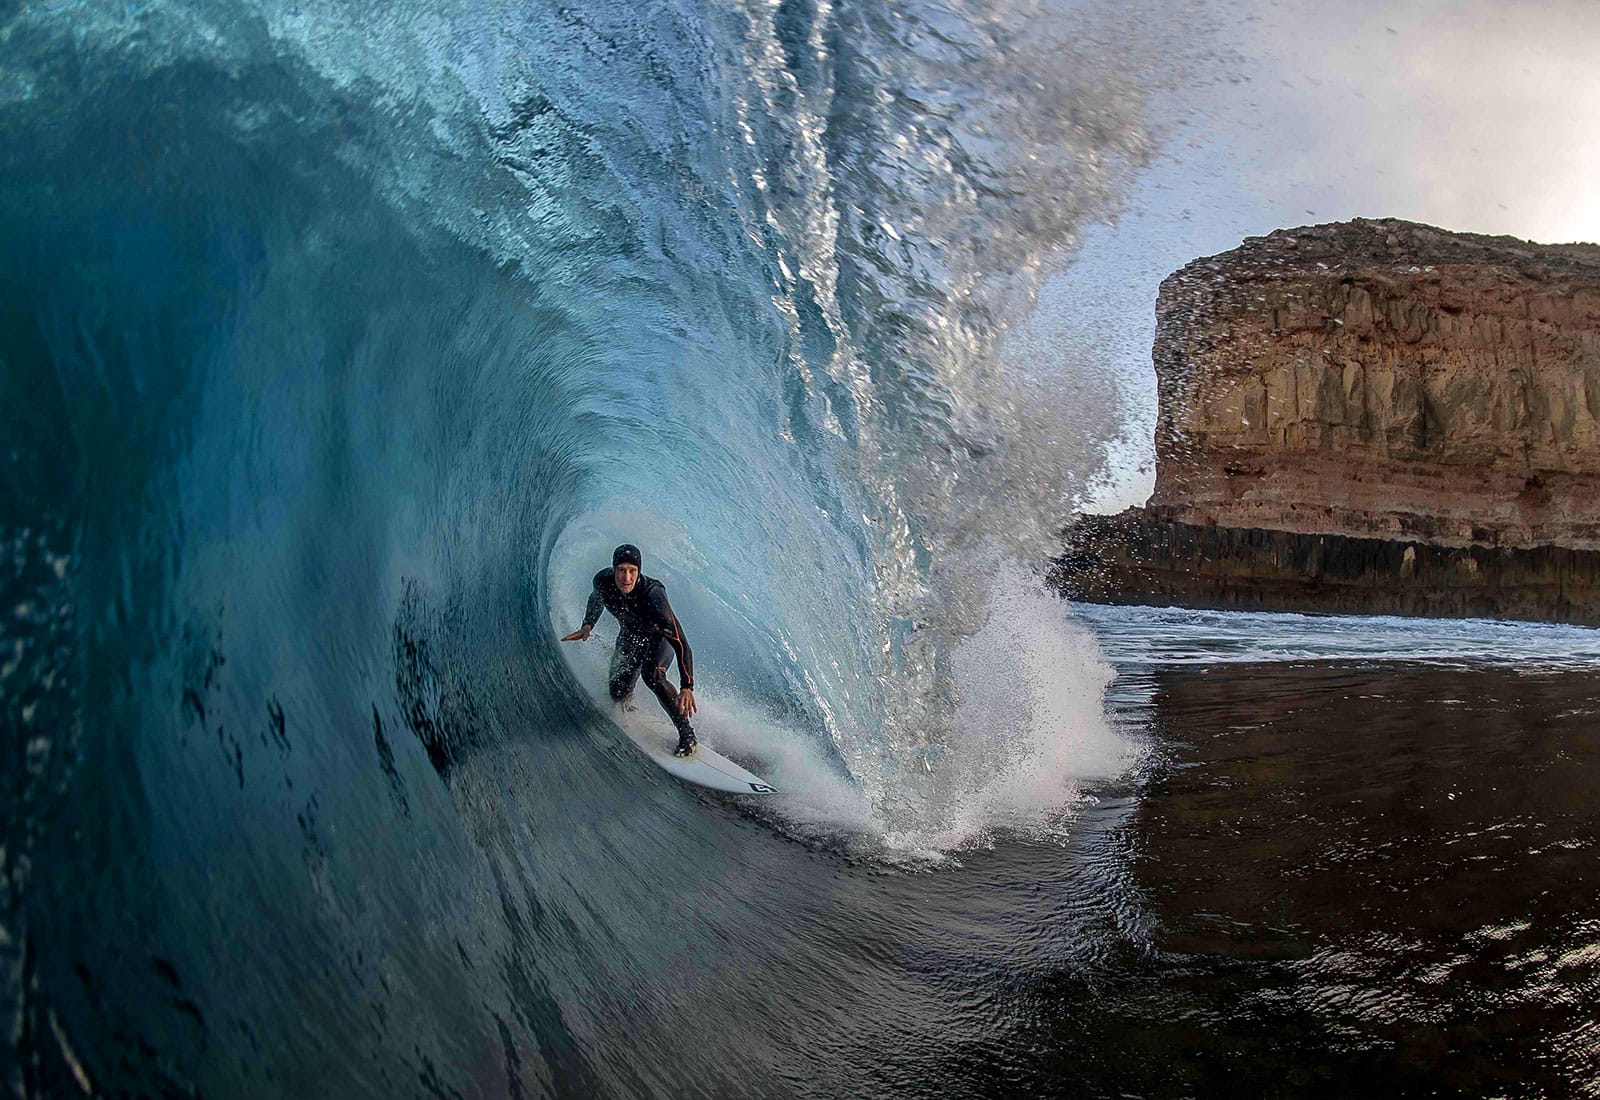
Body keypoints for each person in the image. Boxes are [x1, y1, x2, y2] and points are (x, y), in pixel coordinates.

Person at [561, 543, 698, 756]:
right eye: (621, 570)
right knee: (617, 693)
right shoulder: (603, 581)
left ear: (639, 571)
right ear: (613, 569)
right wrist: (588, 624)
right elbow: (596, 598)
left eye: (632, 571)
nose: (627, 578)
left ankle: (687, 734)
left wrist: (687, 686)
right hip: (630, 637)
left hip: (658, 641)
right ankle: (628, 698)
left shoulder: (653, 595)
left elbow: (681, 642)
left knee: (651, 676)